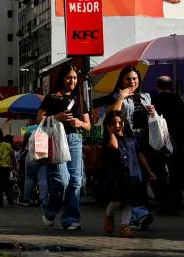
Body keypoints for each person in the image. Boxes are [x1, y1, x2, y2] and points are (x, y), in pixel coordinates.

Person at [36, 64, 91, 230]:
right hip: (57, 139)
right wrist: (56, 117)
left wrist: (79, 122)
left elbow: (88, 125)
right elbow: (39, 119)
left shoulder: (80, 99)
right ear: (62, 79)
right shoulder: (52, 98)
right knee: (61, 180)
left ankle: (71, 219)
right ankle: (50, 210)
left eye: (74, 78)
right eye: (69, 77)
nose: (72, 81)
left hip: (75, 139)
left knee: (76, 181)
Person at [108, 67, 156, 229]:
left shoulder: (145, 97)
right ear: (122, 80)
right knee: (130, 178)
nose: (132, 82)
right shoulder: (118, 96)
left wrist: (153, 112)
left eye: (135, 79)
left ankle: (136, 216)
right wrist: (121, 97)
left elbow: (151, 119)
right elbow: (113, 114)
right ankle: (140, 213)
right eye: (128, 79)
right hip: (127, 139)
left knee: (139, 179)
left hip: (144, 139)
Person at [101, 110, 147, 239]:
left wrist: (148, 171)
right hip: (116, 176)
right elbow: (114, 146)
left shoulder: (131, 138)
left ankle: (124, 226)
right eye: (113, 123)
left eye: (119, 123)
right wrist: (111, 133)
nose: (117, 125)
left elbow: (139, 154)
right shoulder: (109, 140)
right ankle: (109, 216)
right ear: (108, 126)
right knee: (117, 201)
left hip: (132, 174)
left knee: (128, 201)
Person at [151, 76, 184, 212]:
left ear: (158, 86)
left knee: (162, 172)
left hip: (161, 141)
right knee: (176, 171)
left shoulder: (156, 100)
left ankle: (165, 201)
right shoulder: (178, 100)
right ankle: (176, 200)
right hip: (178, 141)